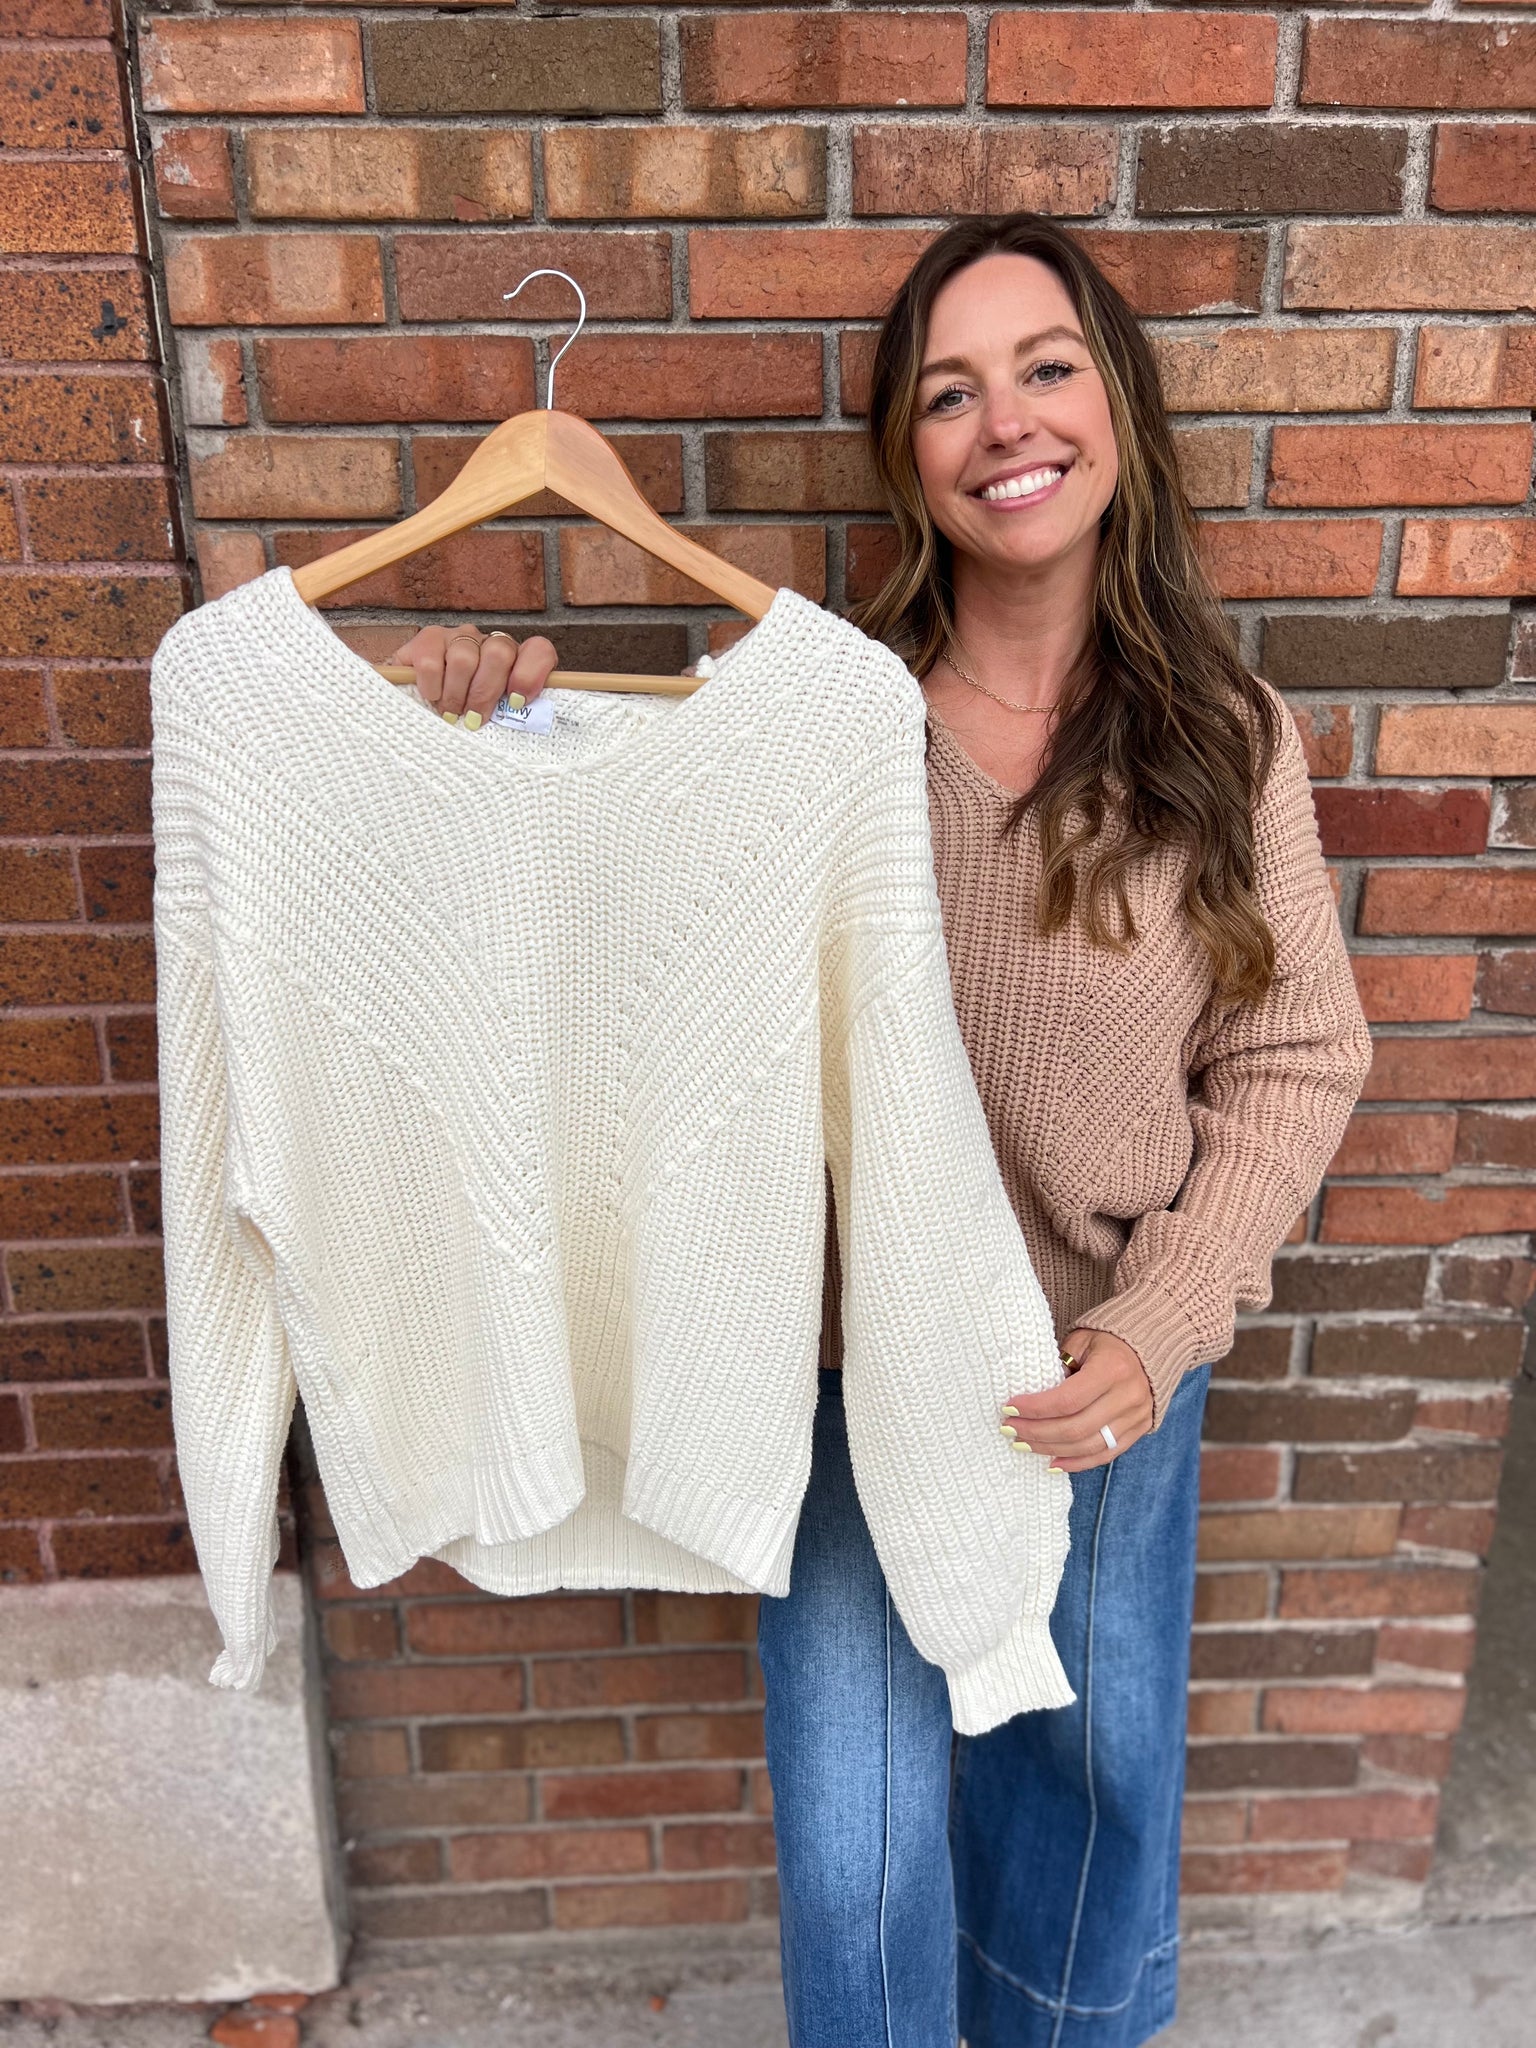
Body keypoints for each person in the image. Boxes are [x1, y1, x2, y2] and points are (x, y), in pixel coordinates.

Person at [391, 214, 1372, 2048]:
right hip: (844, 1384)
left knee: (1087, 1791)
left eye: (1047, 368)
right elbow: (588, 934)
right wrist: (474, 740)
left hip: (1100, 1375)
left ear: (1117, 405)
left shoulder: (1225, 739)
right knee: (858, 1842)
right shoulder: (803, 727)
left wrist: (1164, 1323)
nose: (1008, 423)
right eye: (949, 393)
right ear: (908, 456)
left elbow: (1299, 1054)